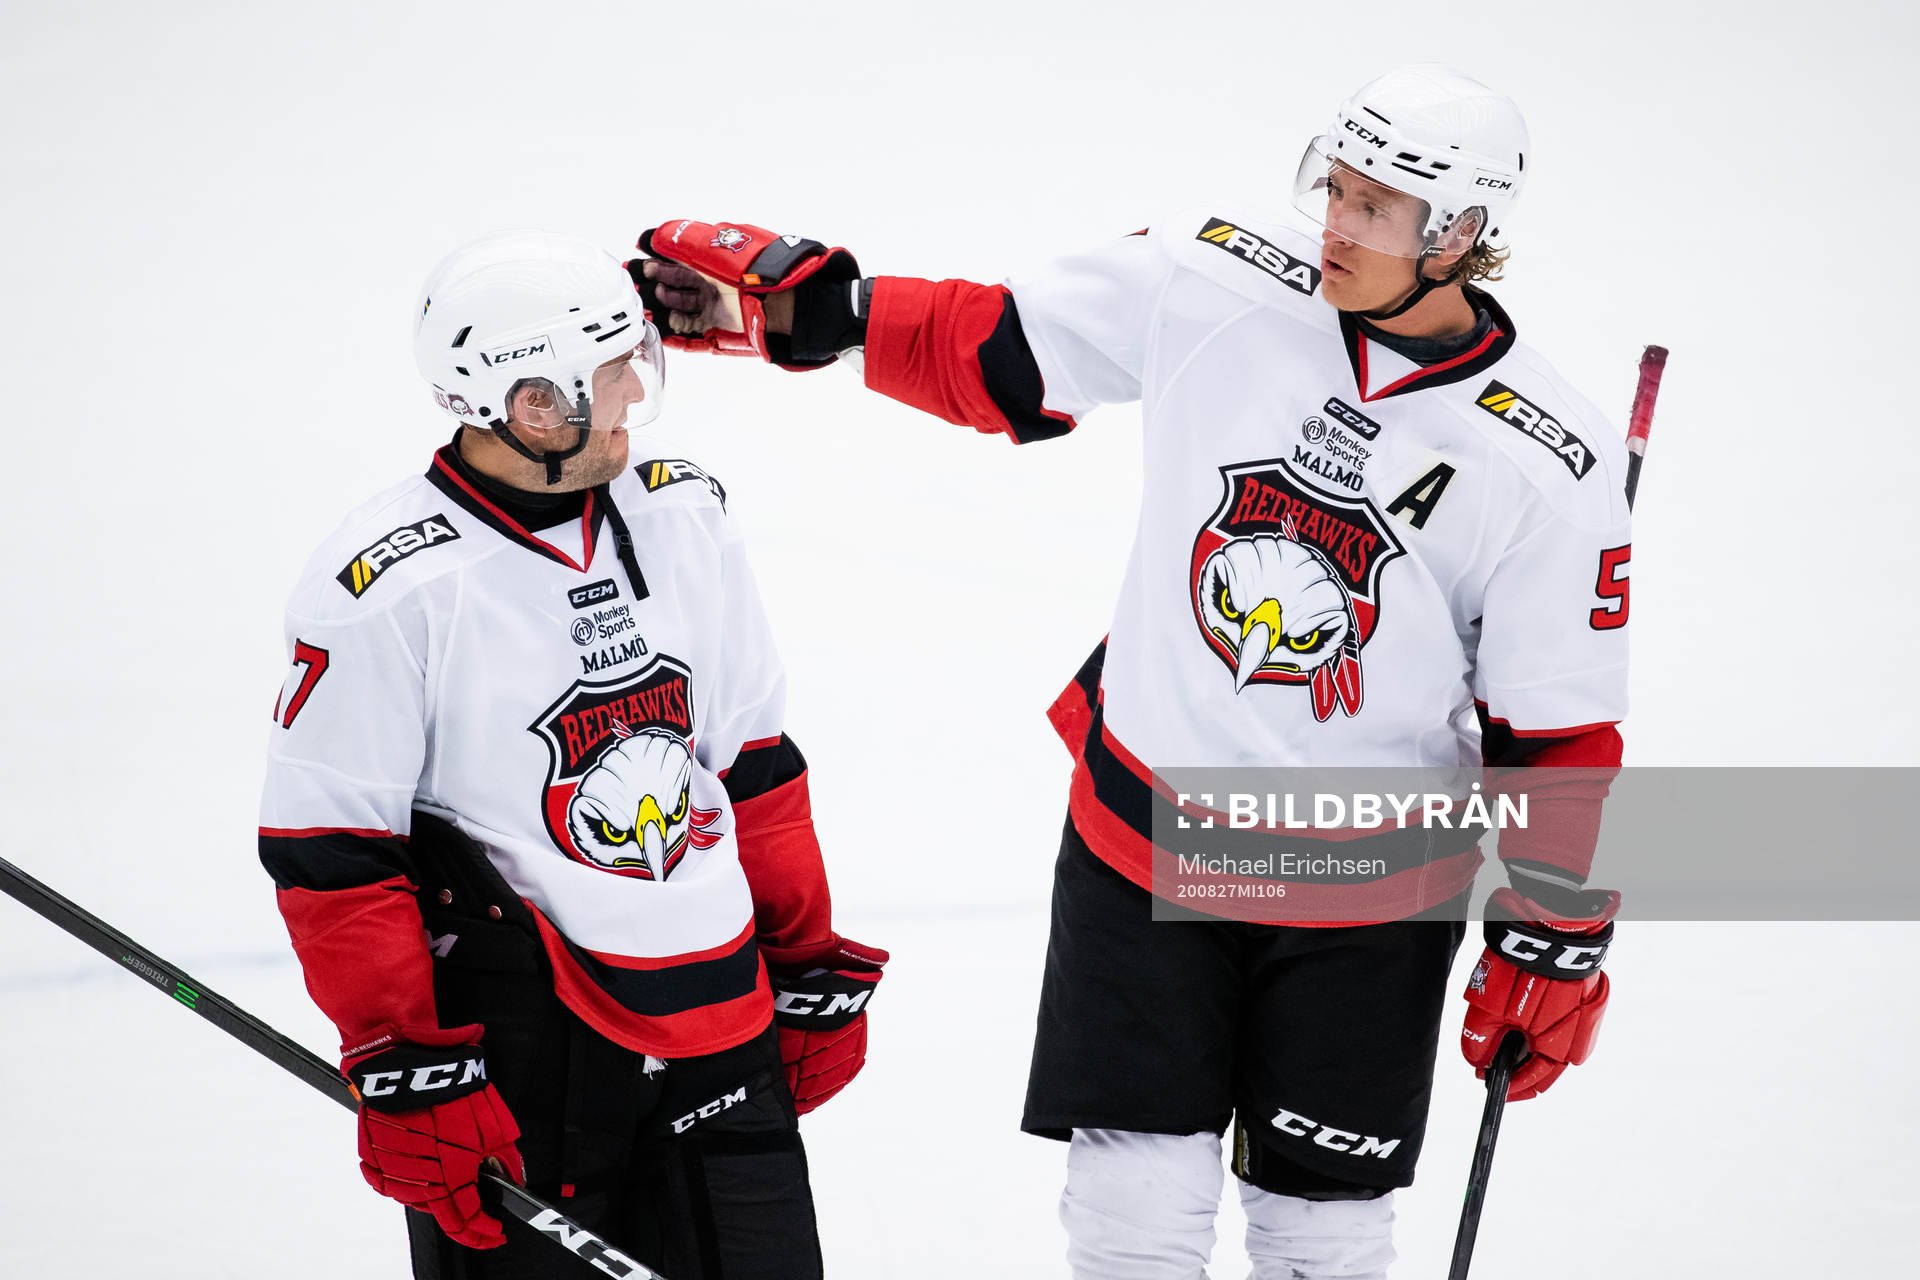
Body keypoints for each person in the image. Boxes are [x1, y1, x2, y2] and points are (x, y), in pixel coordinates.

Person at [633, 66, 1625, 1279]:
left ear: (1461, 235)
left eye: (1376, 208)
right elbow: (996, 345)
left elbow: (1557, 732)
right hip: (1146, 836)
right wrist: (827, 310)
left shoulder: (1545, 464)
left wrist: (1555, 932)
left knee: (1323, 1228)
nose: (1336, 226)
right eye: (1337, 190)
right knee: (1129, 1208)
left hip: (1366, 880)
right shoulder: (1214, 280)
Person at [258, 230, 884, 1279]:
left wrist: (805, 952)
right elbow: (335, 855)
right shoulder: (387, 587)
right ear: (533, 401)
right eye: (611, 374)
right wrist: (406, 1058)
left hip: (719, 1013)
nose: (635, 397)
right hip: (518, 1054)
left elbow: (756, 761)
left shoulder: (684, 513)